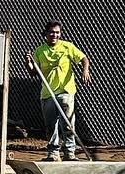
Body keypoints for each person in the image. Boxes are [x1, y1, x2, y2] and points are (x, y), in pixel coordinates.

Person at [29, 20, 90, 161]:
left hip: (65, 91)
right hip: (48, 92)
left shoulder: (67, 46)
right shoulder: (39, 51)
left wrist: (85, 70)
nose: (54, 35)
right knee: (50, 125)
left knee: (68, 123)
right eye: (51, 32)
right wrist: (28, 63)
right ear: (46, 33)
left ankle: (70, 152)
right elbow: (33, 73)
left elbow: (84, 58)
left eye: (57, 32)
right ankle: (53, 153)